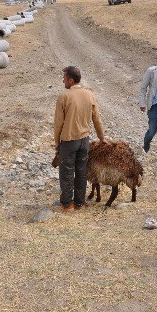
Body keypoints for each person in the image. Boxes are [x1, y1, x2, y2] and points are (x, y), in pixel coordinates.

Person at [54, 66, 106, 211]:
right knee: (81, 172)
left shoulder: (64, 96)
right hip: (84, 141)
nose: (63, 80)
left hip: (69, 141)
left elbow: (58, 123)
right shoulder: (89, 95)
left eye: (64, 78)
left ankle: (67, 204)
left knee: (66, 173)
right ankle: (80, 203)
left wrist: (57, 142)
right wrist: (102, 138)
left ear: (70, 80)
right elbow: (97, 119)